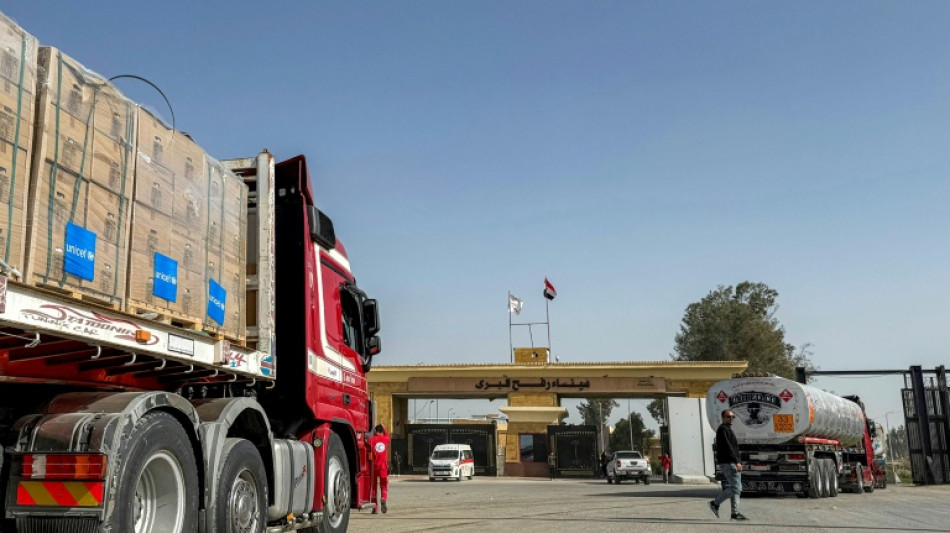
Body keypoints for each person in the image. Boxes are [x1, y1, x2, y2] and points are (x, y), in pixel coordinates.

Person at [709, 410, 748, 521]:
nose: (731, 419)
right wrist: (737, 462)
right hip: (729, 462)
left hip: (731, 462)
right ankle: (715, 503)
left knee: (735, 487)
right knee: (736, 488)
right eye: (728, 417)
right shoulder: (723, 430)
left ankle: (735, 513)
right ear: (723, 417)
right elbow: (728, 448)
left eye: (732, 417)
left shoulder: (728, 429)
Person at [369, 424, 390, 514]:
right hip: (383, 466)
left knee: (373, 487)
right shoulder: (385, 439)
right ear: (382, 431)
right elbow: (388, 436)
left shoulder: (371, 440)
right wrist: (384, 428)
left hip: (374, 466)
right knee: (384, 485)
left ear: (375, 431)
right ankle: (383, 498)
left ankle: (375, 507)